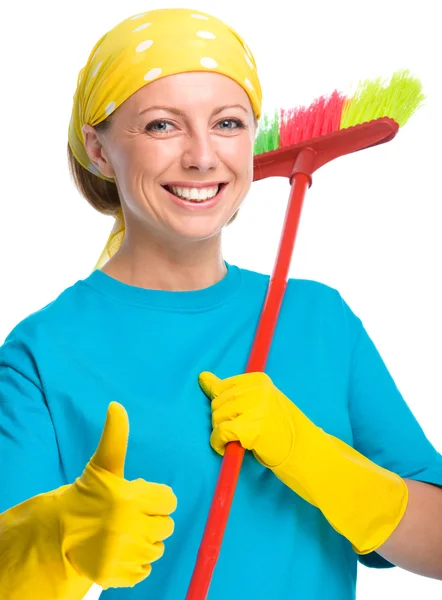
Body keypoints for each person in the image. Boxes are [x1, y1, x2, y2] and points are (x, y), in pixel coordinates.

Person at [0, 6, 442, 600]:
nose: (203, 157)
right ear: (99, 151)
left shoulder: (319, 320)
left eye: (228, 123)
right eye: (162, 126)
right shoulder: (44, 352)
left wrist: (316, 458)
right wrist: (58, 538)